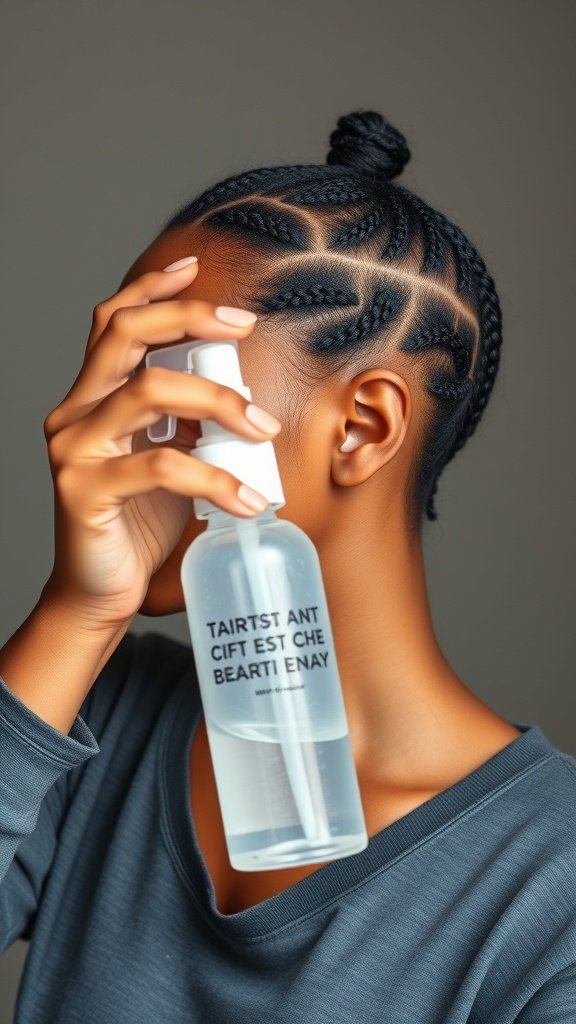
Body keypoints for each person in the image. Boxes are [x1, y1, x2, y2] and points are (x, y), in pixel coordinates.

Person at [0, 110, 574, 1023]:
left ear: (362, 426)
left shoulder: (554, 890)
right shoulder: (94, 715)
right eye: (117, 376)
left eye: (172, 374)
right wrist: (74, 614)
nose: (106, 431)